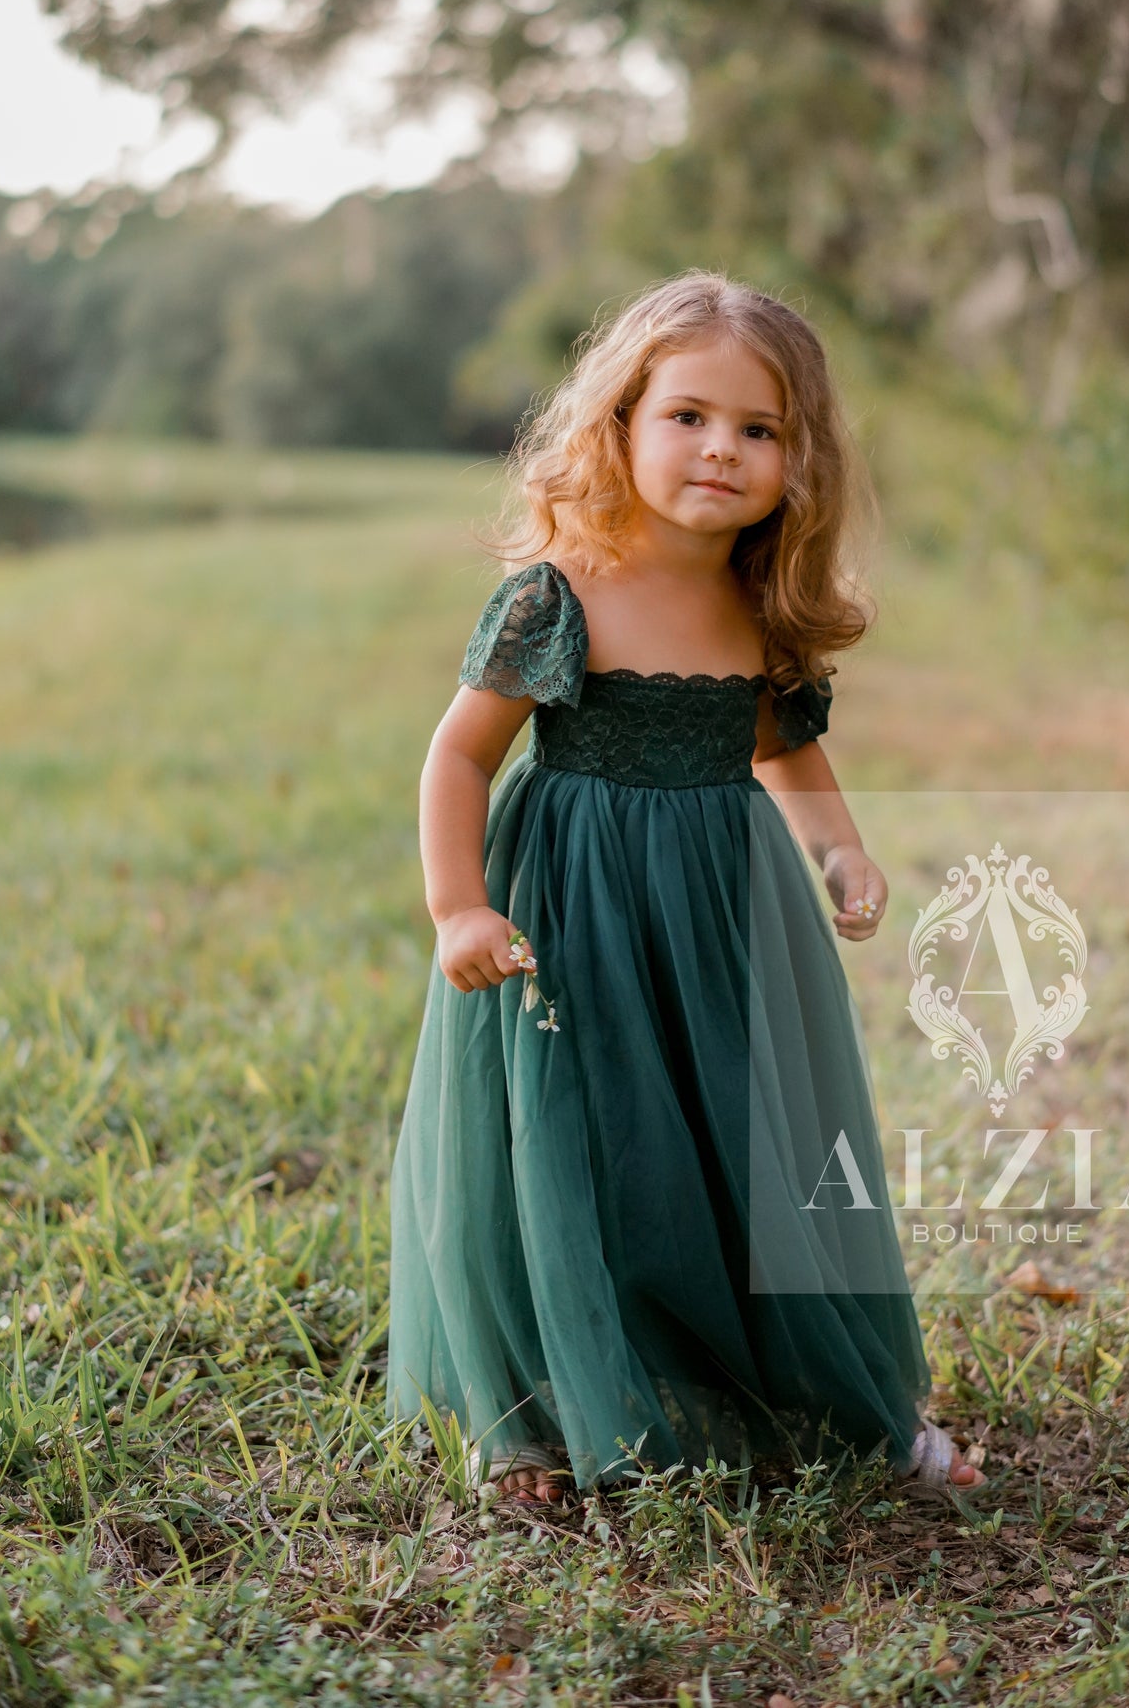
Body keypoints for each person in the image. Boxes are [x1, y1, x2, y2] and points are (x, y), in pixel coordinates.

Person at [387, 270, 985, 1506]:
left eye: (757, 430)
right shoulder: (560, 592)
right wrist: (458, 903)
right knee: (579, 1140)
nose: (721, 449)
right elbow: (459, 754)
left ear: (796, 457)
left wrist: (838, 849)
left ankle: (789, 1389)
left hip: (720, 915)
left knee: (737, 1136)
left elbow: (783, 748)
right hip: (573, 913)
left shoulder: (757, 606)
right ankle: (546, 1414)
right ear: (619, 424)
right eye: (688, 417)